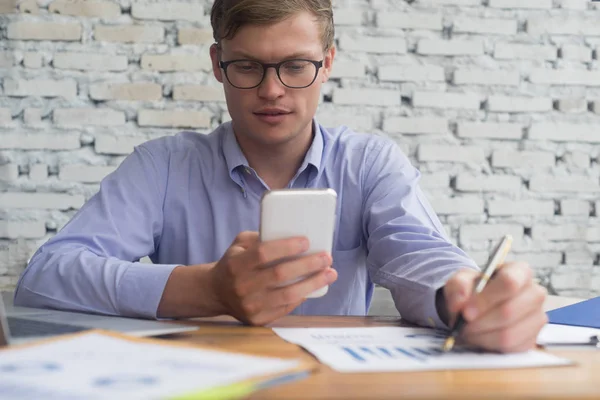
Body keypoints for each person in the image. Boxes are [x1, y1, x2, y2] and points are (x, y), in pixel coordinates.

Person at [13, 0, 548, 353]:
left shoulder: (369, 163)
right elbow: (45, 277)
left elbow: (418, 253)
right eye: (248, 66)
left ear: (328, 62)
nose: (272, 91)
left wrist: (460, 296)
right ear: (218, 65)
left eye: (296, 65)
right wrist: (204, 289)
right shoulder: (164, 165)